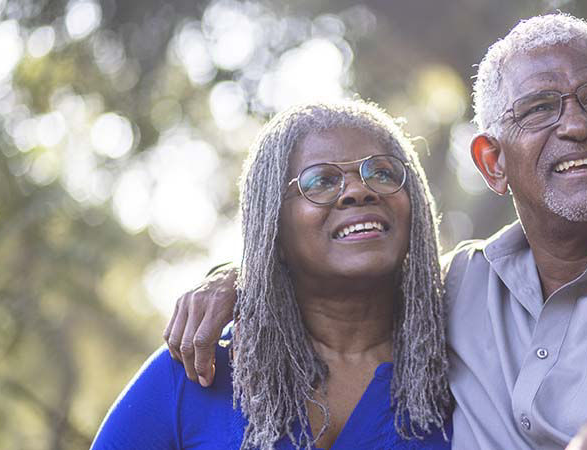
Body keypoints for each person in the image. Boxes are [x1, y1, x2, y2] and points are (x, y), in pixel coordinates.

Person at [164, 14, 587, 450]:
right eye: (539, 108)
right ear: (491, 162)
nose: (578, 123)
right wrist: (239, 281)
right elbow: (342, 280)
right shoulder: (464, 285)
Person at [93, 101, 452, 449]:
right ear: (272, 226)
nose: (359, 190)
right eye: (322, 181)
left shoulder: (464, 358)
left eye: (382, 173)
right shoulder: (199, 369)